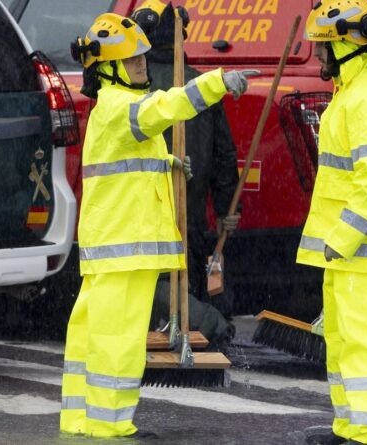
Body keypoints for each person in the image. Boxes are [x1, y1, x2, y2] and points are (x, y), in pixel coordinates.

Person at [61, 12, 248, 438]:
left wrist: (166, 161)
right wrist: (216, 83)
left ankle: (82, 419)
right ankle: (111, 426)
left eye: (143, 57)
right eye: (131, 60)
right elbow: (164, 106)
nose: (141, 64)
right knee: (118, 342)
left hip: (114, 248)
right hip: (124, 249)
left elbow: (124, 164)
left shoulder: (112, 109)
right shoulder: (121, 106)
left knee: (92, 333)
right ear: (107, 68)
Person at [296, 2, 367, 445]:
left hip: (364, 252)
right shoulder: (353, 96)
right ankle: (349, 428)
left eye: (325, 46)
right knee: (344, 343)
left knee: (366, 347)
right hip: (348, 252)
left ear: (348, 45)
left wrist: (342, 237)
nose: (320, 56)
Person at [131, 0, 240, 341]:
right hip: (191, 217)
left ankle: (200, 327)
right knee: (186, 280)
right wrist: (226, 210)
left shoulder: (133, 92)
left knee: (151, 286)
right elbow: (224, 155)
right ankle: (202, 328)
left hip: (143, 217)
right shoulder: (200, 88)